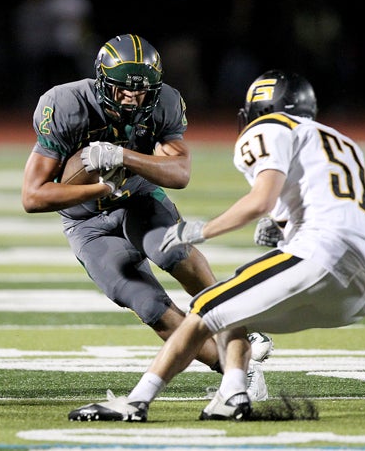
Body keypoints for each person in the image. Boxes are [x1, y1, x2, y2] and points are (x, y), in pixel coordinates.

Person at [68, 69, 365, 422]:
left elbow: (261, 199)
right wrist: (283, 226)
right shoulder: (342, 141)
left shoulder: (269, 128)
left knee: (204, 306)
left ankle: (136, 402)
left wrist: (203, 230)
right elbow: (329, 203)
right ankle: (232, 394)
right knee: (233, 309)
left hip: (318, 256)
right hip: (359, 288)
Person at [21, 34, 273, 392]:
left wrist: (123, 156)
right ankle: (238, 372)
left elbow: (180, 173)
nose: (131, 97)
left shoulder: (165, 101)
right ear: (101, 81)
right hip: (86, 221)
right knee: (147, 304)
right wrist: (102, 187)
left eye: (140, 91)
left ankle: (236, 321)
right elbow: (32, 196)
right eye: (122, 89)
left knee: (169, 249)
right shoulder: (66, 103)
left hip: (139, 198)